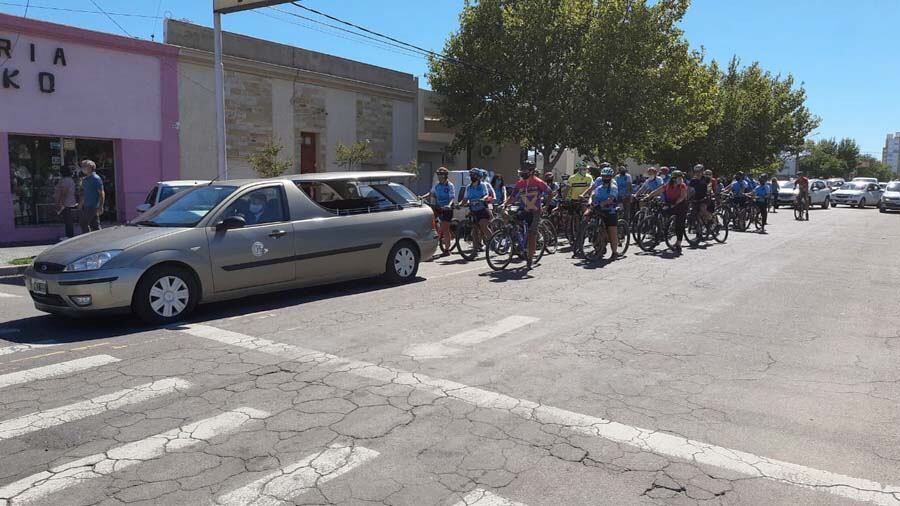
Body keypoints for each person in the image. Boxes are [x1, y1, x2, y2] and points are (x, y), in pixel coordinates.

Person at [505, 162, 551, 269]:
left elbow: (550, 193)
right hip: (523, 209)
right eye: (521, 172)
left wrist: (546, 206)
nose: (522, 174)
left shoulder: (539, 182)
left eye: (525, 172)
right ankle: (519, 242)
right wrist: (504, 204)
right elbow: (512, 197)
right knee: (512, 221)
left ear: (531, 172)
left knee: (531, 234)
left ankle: (530, 259)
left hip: (535, 211)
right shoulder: (520, 183)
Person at [580, 166, 619, 260]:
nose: (605, 178)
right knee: (588, 218)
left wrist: (602, 204)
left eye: (607, 177)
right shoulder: (599, 187)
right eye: (604, 176)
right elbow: (593, 194)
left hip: (610, 210)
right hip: (598, 209)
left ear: (610, 177)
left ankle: (614, 252)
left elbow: (611, 199)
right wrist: (590, 203)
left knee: (612, 230)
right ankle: (596, 242)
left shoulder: (613, 186)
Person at [646, 170, 688, 251]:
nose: (681, 179)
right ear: (674, 179)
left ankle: (678, 243)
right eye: (679, 178)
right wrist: (648, 196)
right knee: (661, 210)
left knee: (679, 224)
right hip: (670, 203)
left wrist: (675, 203)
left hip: (680, 204)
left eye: (681, 178)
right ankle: (662, 229)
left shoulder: (682, 186)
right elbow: (658, 190)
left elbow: (682, 197)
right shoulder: (668, 185)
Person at [420, 167, 456, 254]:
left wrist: (449, 205)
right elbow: (431, 193)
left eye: (441, 175)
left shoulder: (450, 185)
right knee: (432, 222)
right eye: (438, 175)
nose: (439, 177)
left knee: (445, 229)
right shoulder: (437, 185)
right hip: (438, 207)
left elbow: (452, 198)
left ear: (445, 176)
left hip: (447, 209)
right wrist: (422, 197)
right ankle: (443, 234)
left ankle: (447, 250)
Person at [461, 168, 494, 250]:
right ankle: (476, 248)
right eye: (471, 175)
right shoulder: (468, 187)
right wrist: (460, 204)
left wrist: (483, 199)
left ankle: (493, 242)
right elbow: (465, 198)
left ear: (479, 177)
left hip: (482, 209)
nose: (472, 177)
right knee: (474, 229)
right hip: (473, 210)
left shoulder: (482, 185)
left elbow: (486, 195)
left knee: (483, 226)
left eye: (474, 175)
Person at [78, 160, 104, 234]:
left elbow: (101, 193)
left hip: (93, 206)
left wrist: (100, 206)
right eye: (82, 166)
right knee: (94, 225)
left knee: (84, 223)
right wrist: (81, 203)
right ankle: (97, 238)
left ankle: (89, 238)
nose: (82, 168)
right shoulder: (85, 180)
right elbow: (84, 193)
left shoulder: (96, 178)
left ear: (90, 167)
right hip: (86, 206)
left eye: (84, 166)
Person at [54, 165, 77, 239]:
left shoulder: (65, 180)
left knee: (68, 220)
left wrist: (61, 202)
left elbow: (64, 192)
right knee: (68, 220)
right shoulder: (70, 180)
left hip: (66, 203)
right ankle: (69, 235)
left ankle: (69, 236)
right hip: (69, 202)